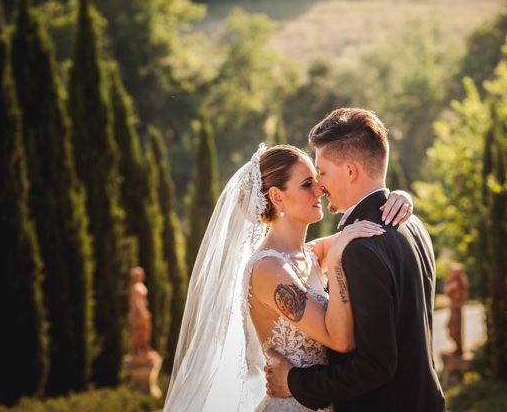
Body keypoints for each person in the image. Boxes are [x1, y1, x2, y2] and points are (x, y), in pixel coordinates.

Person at [163, 142, 415, 411]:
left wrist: (398, 197)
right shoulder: (269, 270)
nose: (320, 189)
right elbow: (341, 340)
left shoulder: (310, 253)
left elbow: (367, 225)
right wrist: (336, 263)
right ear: (277, 197)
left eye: (317, 180)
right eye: (307, 184)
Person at [265, 108, 446, 411]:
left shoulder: (360, 246)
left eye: (320, 173)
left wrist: (295, 382)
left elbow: (374, 366)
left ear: (350, 171)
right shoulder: (412, 223)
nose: (319, 186)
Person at [443, 264, 469, 357]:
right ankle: (457, 347)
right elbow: (446, 291)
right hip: (453, 306)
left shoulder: (460, 281)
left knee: (456, 328)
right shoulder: (452, 281)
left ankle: (458, 349)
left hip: (457, 307)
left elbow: (463, 294)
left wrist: (459, 303)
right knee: (450, 326)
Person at [128, 266, 152, 358]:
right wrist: (143, 313)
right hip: (138, 314)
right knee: (139, 330)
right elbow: (137, 302)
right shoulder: (135, 288)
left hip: (141, 312)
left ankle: (144, 348)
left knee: (144, 330)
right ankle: (138, 349)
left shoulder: (138, 286)